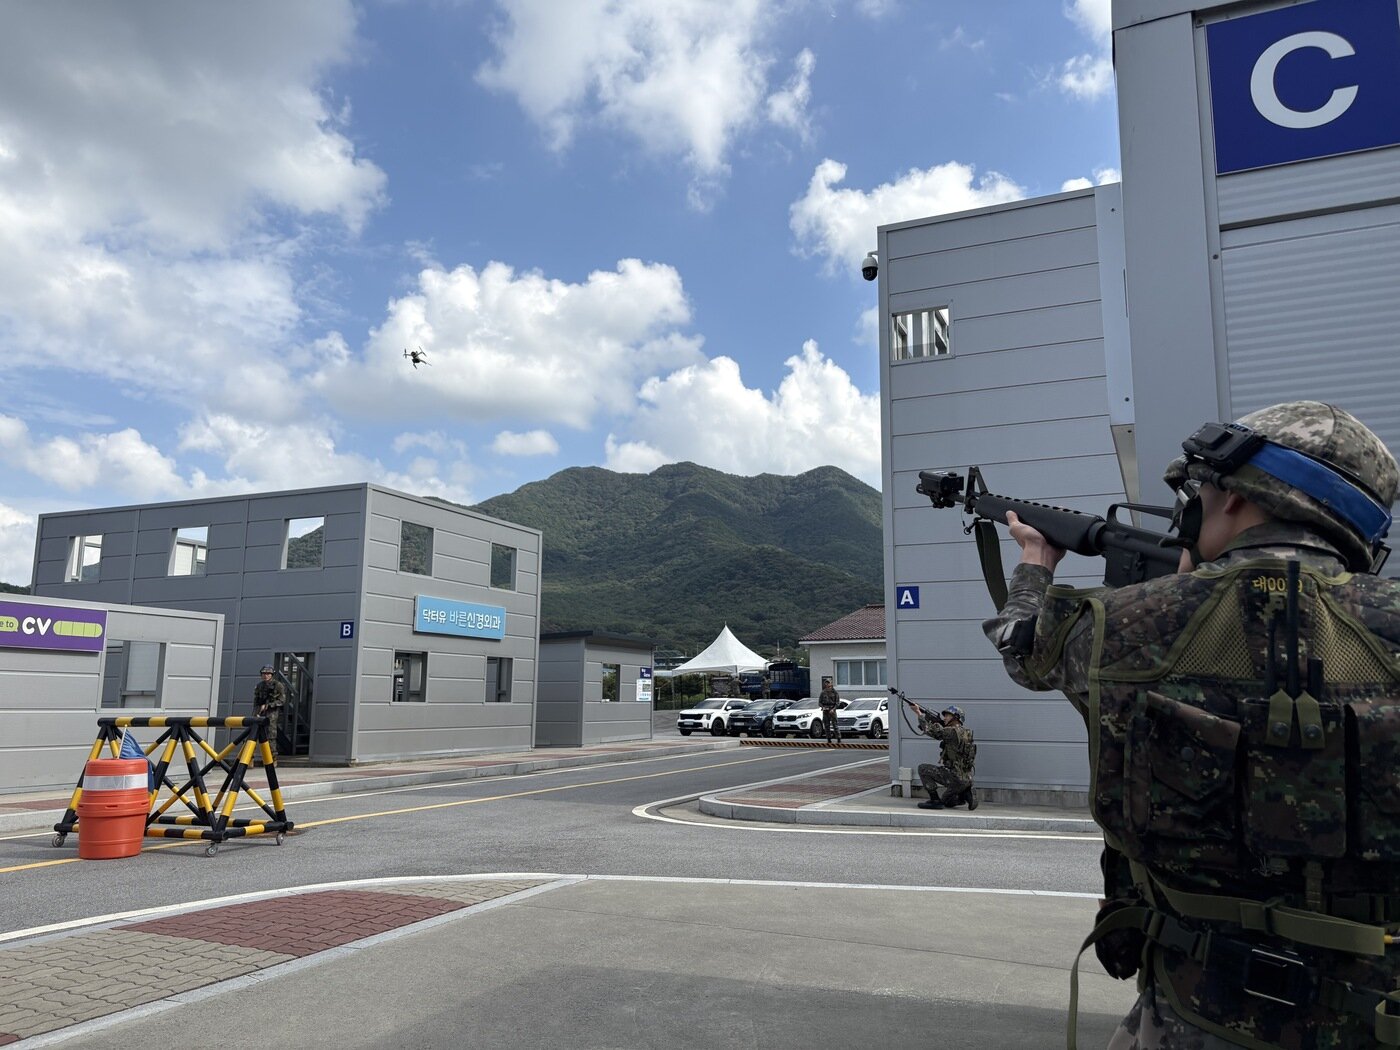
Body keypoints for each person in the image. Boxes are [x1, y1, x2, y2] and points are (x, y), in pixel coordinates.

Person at [982, 401, 1400, 1049]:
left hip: (1195, 1013)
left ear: (1235, 498)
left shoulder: (1126, 625)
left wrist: (1036, 564)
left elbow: (1022, 648)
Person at [912, 704, 977, 810]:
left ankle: (935, 800)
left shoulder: (950, 731)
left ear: (956, 718)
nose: (944, 718)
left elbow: (930, 731)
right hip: (967, 778)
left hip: (955, 777)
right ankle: (965, 794)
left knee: (923, 768)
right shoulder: (966, 732)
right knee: (947, 801)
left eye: (947, 716)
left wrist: (918, 713)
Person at [252, 664, 288, 760]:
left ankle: (272, 757)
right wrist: (256, 711)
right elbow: (256, 700)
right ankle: (250, 757)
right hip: (259, 710)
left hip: (271, 712)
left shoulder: (278, 685)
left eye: (268, 674)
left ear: (272, 675)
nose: (266, 676)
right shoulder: (259, 686)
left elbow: (282, 700)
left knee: (270, 734)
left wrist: (269, 705)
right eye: (264, 674)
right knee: (253, 732)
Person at [818, 677, 842, 745]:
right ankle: (829, 739)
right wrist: (822, 707)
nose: (827, 685)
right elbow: (819, 702)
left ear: (831, 684)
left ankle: (839, 739)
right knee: (826, 726)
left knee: (835, 725)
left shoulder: (835, 692)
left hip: (832, 710)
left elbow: (837, 703)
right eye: (826, 684)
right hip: (825, 710)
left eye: (828, 683)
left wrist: (833, 709)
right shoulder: (823, 692)